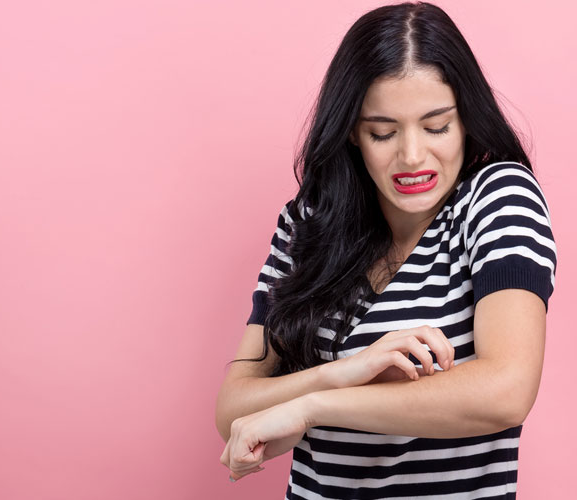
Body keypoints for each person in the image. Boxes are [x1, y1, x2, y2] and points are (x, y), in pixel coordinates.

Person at [215, 2, 557, 498]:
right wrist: (344, 372)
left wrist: (314, 406)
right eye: (383, 132)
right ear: (353, 131)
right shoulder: (306, 225)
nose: (412, 156)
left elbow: (506, 390)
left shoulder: (497, 199)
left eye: (436, 126)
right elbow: (233, 410)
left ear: (466, 121)